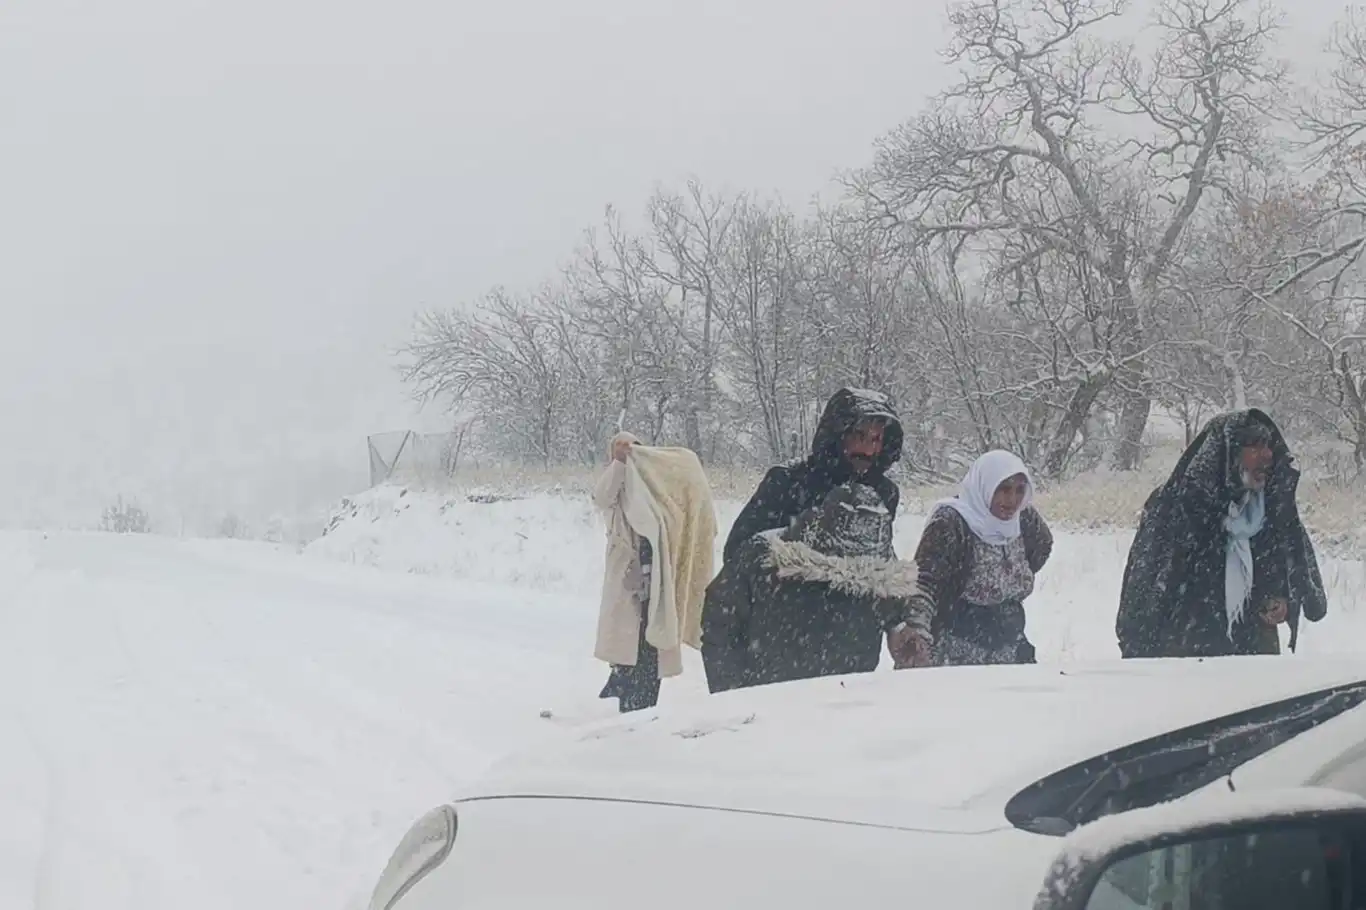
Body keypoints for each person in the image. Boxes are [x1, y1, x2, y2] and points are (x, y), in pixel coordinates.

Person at [1116, 408, 1327, 659]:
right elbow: (1144, 587)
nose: (1267, 455)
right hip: (1185, 660)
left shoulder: (1274, 509)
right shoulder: (1176, 507)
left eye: (1268, 446)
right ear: (1227, 453)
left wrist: (1284, 603)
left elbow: (1291, 570)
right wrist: (1138, 656)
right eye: (1255, 446)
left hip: (1256, 659)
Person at [701, 482, 933, 693]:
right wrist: (731, 691)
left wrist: (900, 628)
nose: (856, 571)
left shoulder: (876, 564)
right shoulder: (765, 555)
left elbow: (892, 607)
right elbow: (718, 622)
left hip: (843, 702)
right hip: (766, 701)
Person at [593, 431, 718, 712]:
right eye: (622, 448)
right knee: (629, 644)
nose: (629, 453)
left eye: (634, 449)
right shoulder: (615, 488)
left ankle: (643, 699)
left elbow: (680, 513)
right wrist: (619, 463)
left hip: (659, 579)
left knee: (652, 642)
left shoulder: (653, 490)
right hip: (628, 580)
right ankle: (627, 692)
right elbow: (602, 498)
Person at [724, 387, 904, 563]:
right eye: (858, 435)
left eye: (876, 439)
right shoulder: (787, 481)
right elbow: (736, 554)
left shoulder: (884, 492)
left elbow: (880, 561)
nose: (867, 449)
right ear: (837, 434)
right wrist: (799, 535)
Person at [909, 450, 1053, 666]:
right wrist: (917, 635)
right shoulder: (950, 523)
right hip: (955, 650)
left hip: (1010, 649)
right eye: (1003, 489)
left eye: (1019, 490)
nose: (1012, 499)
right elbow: (923, 584)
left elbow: (1041, 549)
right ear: (985, 486)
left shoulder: (1025, 521)